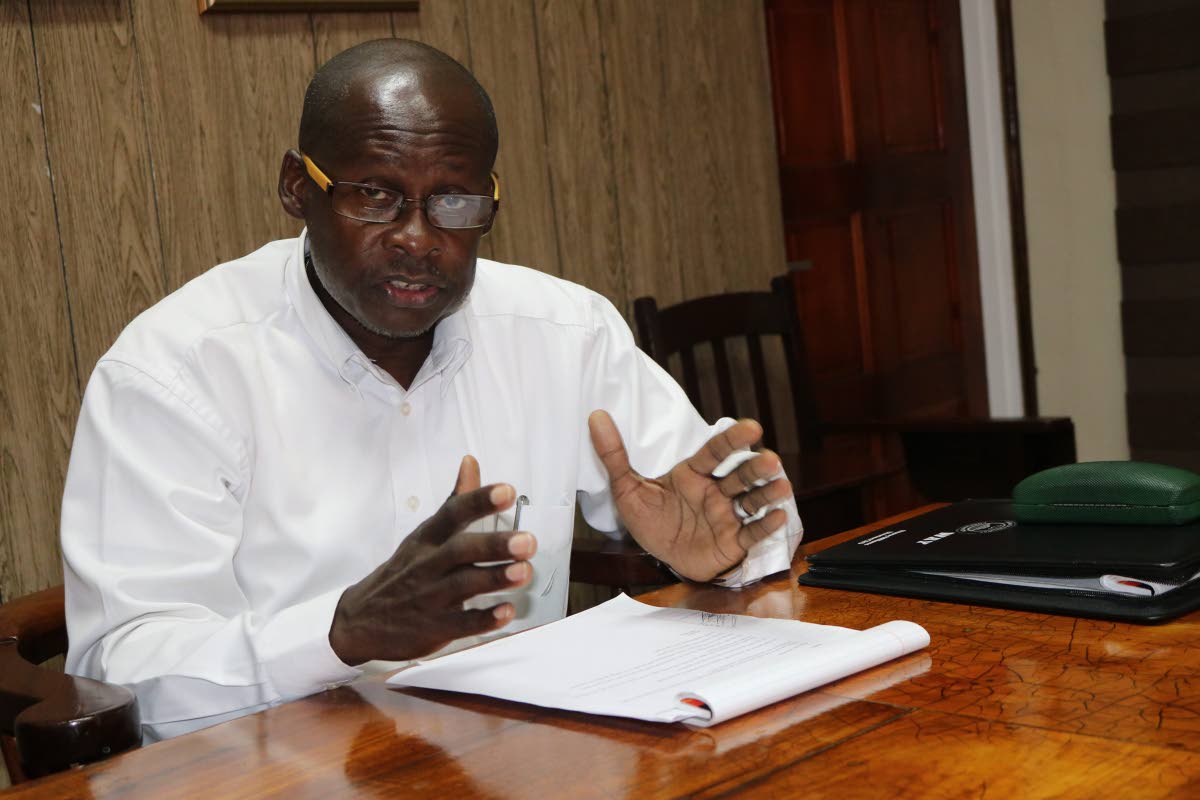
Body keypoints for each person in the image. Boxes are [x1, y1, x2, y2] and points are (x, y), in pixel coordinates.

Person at [61, 39, 802, 741]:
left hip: (526, 756)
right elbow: (122, 674)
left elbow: (733, 517)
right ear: (298, 187)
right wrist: (340, 634)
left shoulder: (563, 332)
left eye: (454, 201)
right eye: (376, 195)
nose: (417, 238)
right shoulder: (176, 371)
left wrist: (722, 552)